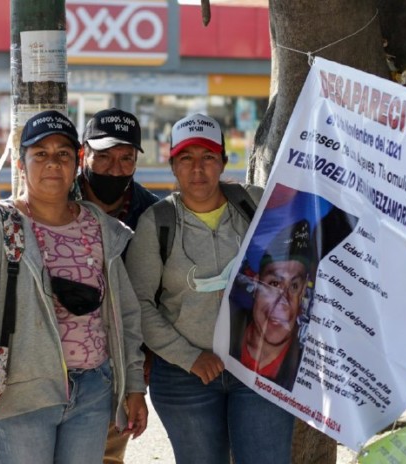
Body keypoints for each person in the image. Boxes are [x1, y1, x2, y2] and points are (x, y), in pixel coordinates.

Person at [0, 110, 148, 464]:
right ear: (21, 164)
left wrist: (132, 385)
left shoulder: (100, 226)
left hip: (93, 392)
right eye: (41, 154)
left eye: (63, 154)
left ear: (77, 162)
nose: (53, 163)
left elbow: (124, 316)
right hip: (22, 394)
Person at [125, 113, 294, 463]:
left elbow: (301, 260)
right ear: (172, 165)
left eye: (208, 158)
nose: (197, 169)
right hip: (186, 376)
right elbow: (138, 304)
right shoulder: (156, 223)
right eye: (186, 158)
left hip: (258, 367)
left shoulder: (256, 205)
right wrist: (191, 358)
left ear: (223, 162)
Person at [79, 107, 159, 464]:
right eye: (104, 157)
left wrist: (142, 367)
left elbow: (157, 295)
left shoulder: (151, 214)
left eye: (126, 158)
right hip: (54, 357)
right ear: (84, 154)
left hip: (119, 363)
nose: (115, 169)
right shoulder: (55, 199)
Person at [229, 219, 313, 391]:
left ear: (304, 291)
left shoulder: (307, 367)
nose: (283, 301)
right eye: (274, 284)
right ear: (257, 283)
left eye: (294, 286)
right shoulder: (225, 326)